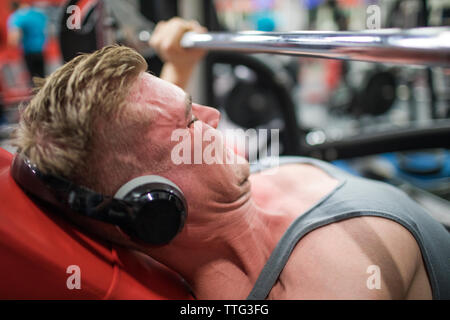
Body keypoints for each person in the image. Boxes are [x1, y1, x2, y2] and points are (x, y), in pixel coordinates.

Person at [12, 18, 450, 300]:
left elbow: (142, 144)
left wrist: (179, 66)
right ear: (157, 204)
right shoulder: (337, 277)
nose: (213, 115)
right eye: (189, 121)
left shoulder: (200, 193)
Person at [7, 0, 47, 78]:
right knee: (42, 76)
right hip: (42, 49)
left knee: (33, 79)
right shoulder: (38, 14)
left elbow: (14, 38)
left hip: (28, 51)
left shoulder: (17, 17)